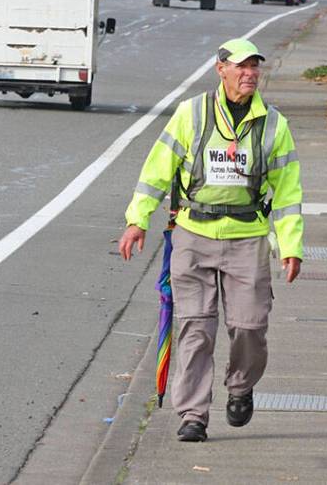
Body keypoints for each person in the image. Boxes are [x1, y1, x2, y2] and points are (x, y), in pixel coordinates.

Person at [118, 37, 303, 443]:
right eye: (241, 66)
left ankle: (240, 387)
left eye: (255, 67)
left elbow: (288, 193)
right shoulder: (192, 114)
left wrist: (290, 247)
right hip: (193, 233)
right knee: (196, 328)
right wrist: (138, 220)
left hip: (248, 236)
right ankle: (193, 415)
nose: (249, 73)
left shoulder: (274, 125)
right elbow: (157, 170)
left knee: (250, 326)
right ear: (221, 69)